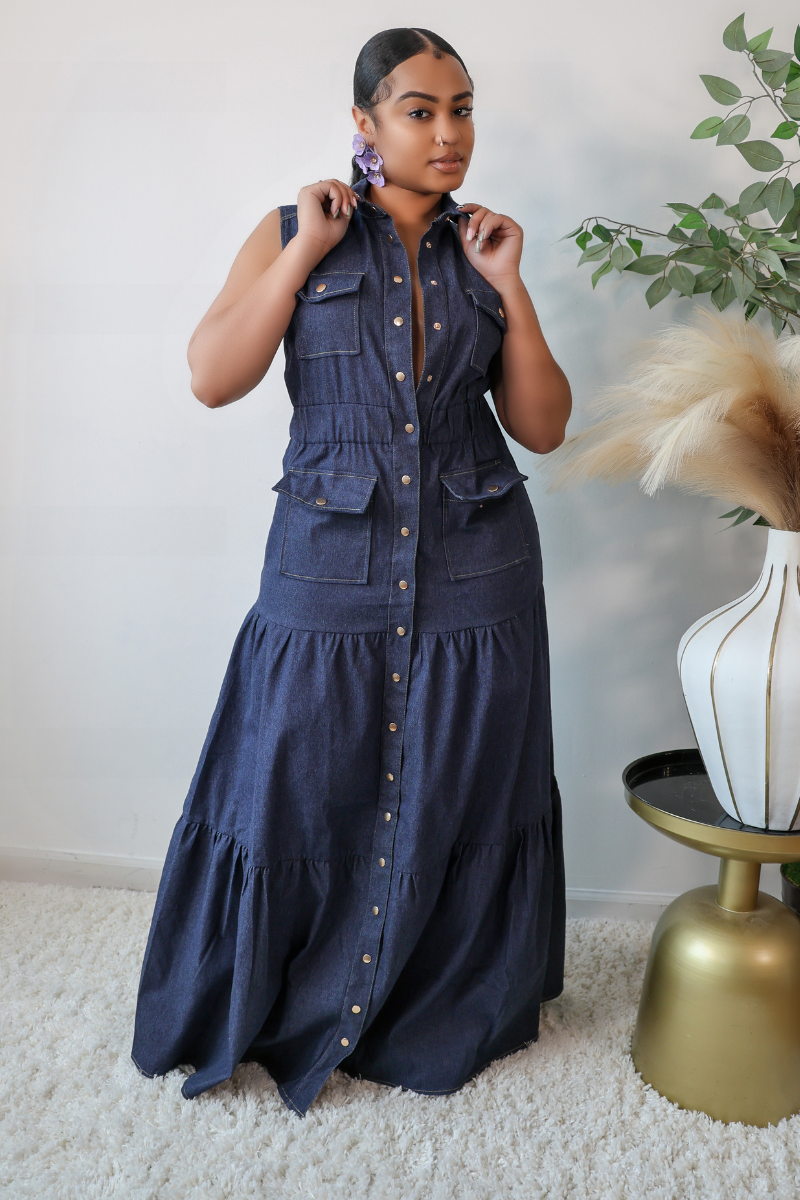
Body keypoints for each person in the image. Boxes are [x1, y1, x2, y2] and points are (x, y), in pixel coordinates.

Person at [130, 26, 572, 1119]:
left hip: (478, 561)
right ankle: (278, 993)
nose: (448, 132)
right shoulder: (294, 231)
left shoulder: (485, 247)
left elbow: (542, 426)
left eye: (461, 109)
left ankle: (436, 997)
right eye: (419, 110)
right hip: (327, 560)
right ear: (365, 123)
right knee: (292, 774)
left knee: (462, 786)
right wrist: (301, 256)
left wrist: (510, 287)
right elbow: (211, 376)